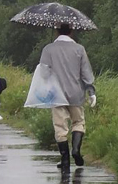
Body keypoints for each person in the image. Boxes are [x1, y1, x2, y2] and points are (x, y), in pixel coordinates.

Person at [39, 24, 96, 173]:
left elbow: (43, 73)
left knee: (60, 126)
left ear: (57, 31)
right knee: (78, 122)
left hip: (56, 94)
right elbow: (86, 73)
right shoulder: (79, 49)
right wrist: (91, 91)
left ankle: (65, 160)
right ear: (71, 31)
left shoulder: (48, 49)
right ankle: (76, 150)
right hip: (76, 93)